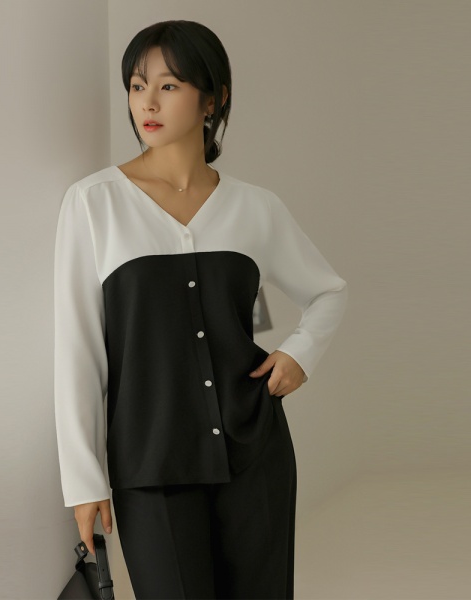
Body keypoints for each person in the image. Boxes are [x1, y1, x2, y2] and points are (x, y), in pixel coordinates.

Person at [54, 19, 348, 600]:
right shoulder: (94, 203)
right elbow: (78, 349)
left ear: (212, 99)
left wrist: (299, 353)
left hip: (254, 453)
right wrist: (84, 481)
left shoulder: (255, 208)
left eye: (169, 85)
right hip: (151, 464)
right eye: (137, 86)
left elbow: (327, 291)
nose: (148, 102)